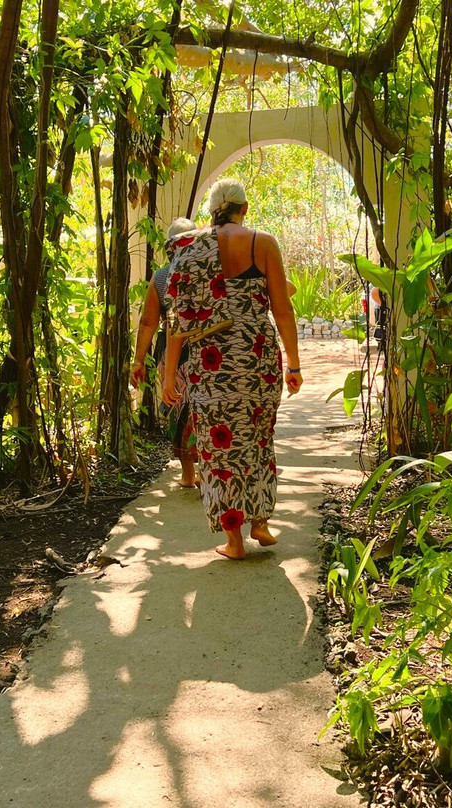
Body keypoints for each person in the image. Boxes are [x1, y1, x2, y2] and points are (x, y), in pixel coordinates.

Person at [162, 178, 302, 560]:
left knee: (218, 448)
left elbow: (180, 316)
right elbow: (282, 309)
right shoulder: (263, 242)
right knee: (257, 440)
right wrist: (294, 363)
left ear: (211, 211)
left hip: (211, 363)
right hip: (258, 360)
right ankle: (260, 521)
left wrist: (168, 372)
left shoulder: (190, 246)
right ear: (245, 207)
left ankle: (234, 541)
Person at [131, 217, 198, 487]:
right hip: (207, 351)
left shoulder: (161, 277)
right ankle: (207, 471)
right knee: (205, 409)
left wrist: (138, 361)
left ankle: (187, 474)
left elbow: (148, 323)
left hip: (172, 354)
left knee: (178, 408)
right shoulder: (208, 273)